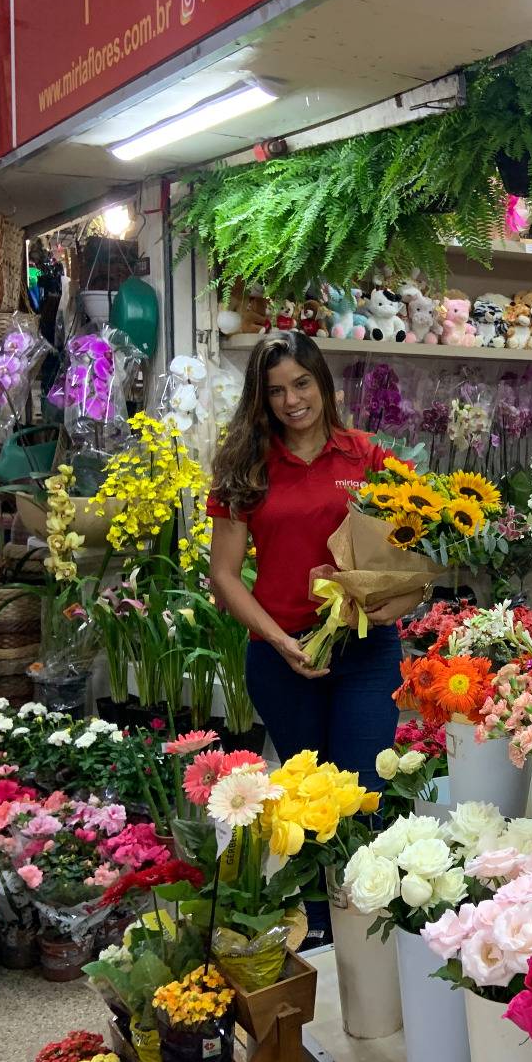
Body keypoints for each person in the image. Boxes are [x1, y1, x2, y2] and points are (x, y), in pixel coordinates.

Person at [207, 333, 423, 941]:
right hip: (281, 658)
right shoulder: (244, 466)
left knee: (361, 791)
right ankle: (322, 930)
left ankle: (372, 925)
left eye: (302, 383)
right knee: (305, 804)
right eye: (275, 390)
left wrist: (399, 601)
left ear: (323, 384)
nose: (291, 400)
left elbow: (420, 546)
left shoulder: (367, 458)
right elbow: (224, 575)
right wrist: (278, 640)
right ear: (261, 398)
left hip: (363, 651)